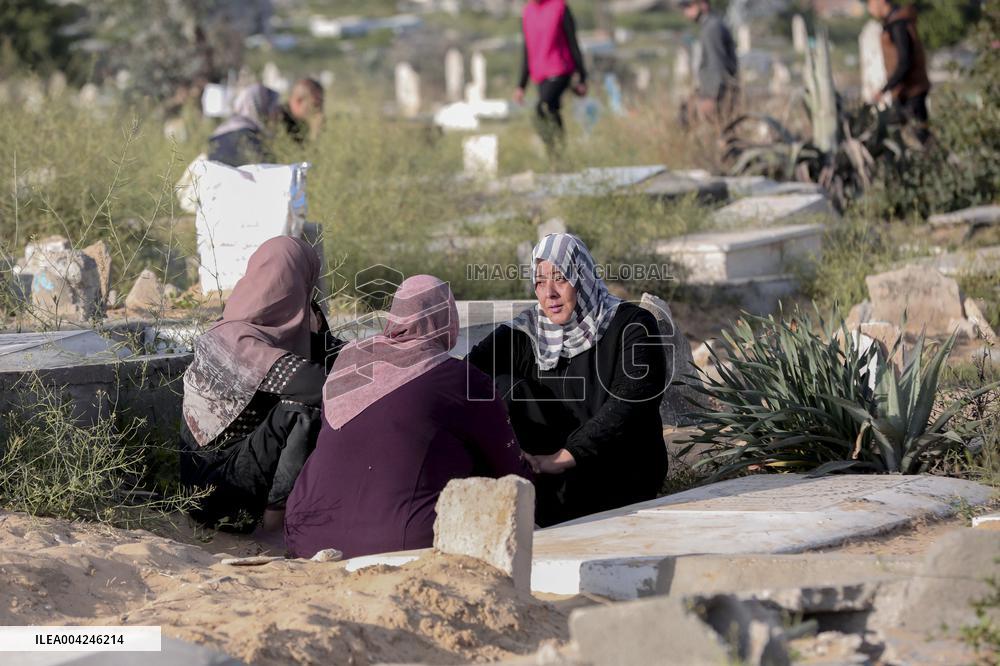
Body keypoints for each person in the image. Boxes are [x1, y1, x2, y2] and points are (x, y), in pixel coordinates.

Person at [284, 275, 532, 559]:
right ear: (447, 319)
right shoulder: (463, 379)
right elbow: (510, 474)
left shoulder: (349, 361)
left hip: (304, 537)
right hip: (399, 546)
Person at [468, 234, 668, 526]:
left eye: (560, 279)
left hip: (621, 479)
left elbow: (633, 401)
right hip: (546, 482)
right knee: (496, 384)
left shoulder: (631, 324)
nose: (549, 293)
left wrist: (565, 457)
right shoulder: (527, 332)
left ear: (582, 278)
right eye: (539, 282)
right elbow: (464, 375)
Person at [180, 237, 342, 532]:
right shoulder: (237, 341)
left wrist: (321, 337)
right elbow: (319, 385)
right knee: (301, 409)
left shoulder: (246, 325)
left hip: (225, 480)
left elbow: (335, 357)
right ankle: (275, 525)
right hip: (219, 494)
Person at [514, 0, 588, 153]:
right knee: (549, 112)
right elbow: (527, 50)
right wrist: (521, 85)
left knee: (543, 107)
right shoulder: (528, 12)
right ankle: (557, 155)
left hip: (560, 69)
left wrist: (582, 76)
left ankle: (558, 155)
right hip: (540, 74)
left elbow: (573, 43)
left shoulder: (560, 7)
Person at [865, 0, 931, 142]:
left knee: (918, 140)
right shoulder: (894, 23)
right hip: (905, 92)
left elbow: (905, 62)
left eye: (869, 3)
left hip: (911, 92)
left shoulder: (898, 25)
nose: (869, 9)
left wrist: (884, 90)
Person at [680, 0, 739, 126]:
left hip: (717, 94)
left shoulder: (712, 27)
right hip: (713, 90)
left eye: (689, 6)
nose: (686, 11)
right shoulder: (709, 26)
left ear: (703, 5)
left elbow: (716, 64)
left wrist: (711, 96)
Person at [207, 84, 281, 166]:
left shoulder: (218, 134)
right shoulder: (249, 137)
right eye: (272, 107)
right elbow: (268, 171)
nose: (277, 114)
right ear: (262, 107)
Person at [281, 78, 325, 145]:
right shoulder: (278, 120)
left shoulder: (301, 122)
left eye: (321, 105)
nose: (319, 111)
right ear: (298, 101)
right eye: (315, 105)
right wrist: (314, 134)